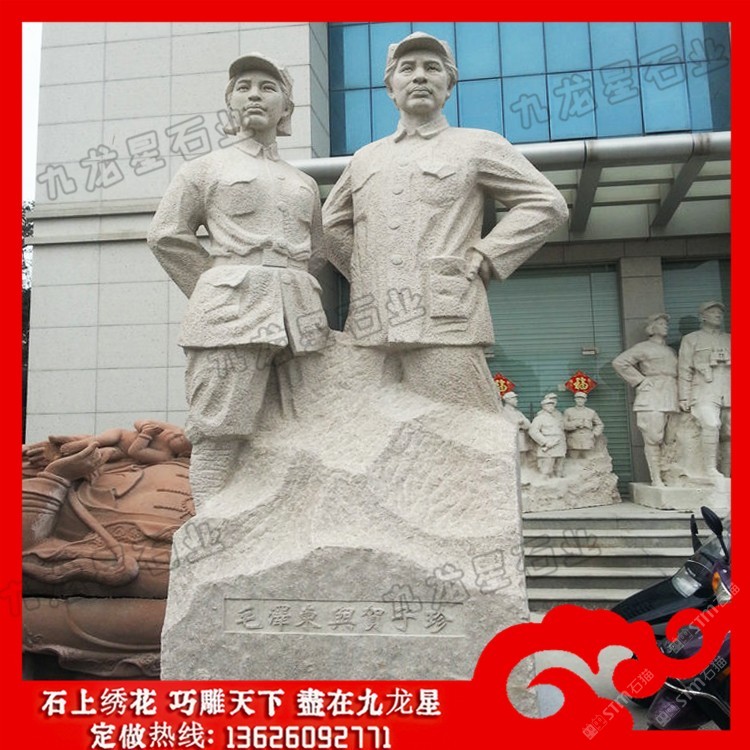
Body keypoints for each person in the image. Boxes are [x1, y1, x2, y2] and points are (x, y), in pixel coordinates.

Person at [322, 32, 568, 412]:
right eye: (407, 68)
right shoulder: (365, 158)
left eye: (432, 68)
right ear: (390, 88)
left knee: (467, 423)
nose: (420, 76)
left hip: (446, 317)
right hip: (372, 324)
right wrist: (368, 272)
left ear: (449, 86)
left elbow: (546, 203)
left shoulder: (476, 144)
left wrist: (488, 253)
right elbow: (330, 226)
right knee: (368, 425)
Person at [147, 54, 330, 510]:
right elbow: (166, 234)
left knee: (307, 424)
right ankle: (213, 526)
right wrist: (215, 286)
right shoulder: (205, 169)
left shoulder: (303, 182)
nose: (254, 95)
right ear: (230, 103)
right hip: (230, 312)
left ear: (286, 107)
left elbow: (318, 249)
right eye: (243, 87)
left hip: (300, 314)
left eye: (267, 88)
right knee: (220, 426)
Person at [612, 313, 678, 486]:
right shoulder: (643, 347)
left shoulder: (671, 351)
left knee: (671, 439)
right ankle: (656, 478)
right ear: (651, 327)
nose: (665, 326)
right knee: (653, 438)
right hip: (652, 395)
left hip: (672, 394)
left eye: (666, 323)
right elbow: (619, 362)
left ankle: (668, 475)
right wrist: (640, 381)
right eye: (661, 323)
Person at [677, 301, 731, 479]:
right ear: (703, 317)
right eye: (713, 312)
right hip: (703, 390)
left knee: (729, 432)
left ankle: (728, 472)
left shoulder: (730, 338)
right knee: (711, 424)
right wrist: (683, 396)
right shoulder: (692, 339)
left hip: (729, 390)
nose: (718, 315)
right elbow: (684, 368)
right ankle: (710, 469)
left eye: (720, 312)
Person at [528, 393, 566, 478]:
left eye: (552, 405)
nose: (551, 407)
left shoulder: (556, 417)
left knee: (559, 469)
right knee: (546, 470)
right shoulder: (539, 418)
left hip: (559, 445)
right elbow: (533, 431)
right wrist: (545, 442)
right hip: (549, 446)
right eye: (548, 405)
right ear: (544, 407)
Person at [562, 392, 604, 459]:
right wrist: (575, 424)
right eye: (578, 399)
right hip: (574, 440)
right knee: (572, 460)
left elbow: (599, 424)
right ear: (575, 399)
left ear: (585, 400)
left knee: (589, 461)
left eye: (582, 399)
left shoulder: (591, 412)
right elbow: (563, 425)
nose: (580, 401)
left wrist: (594, 434)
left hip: (587, 440)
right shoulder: (568, 411)